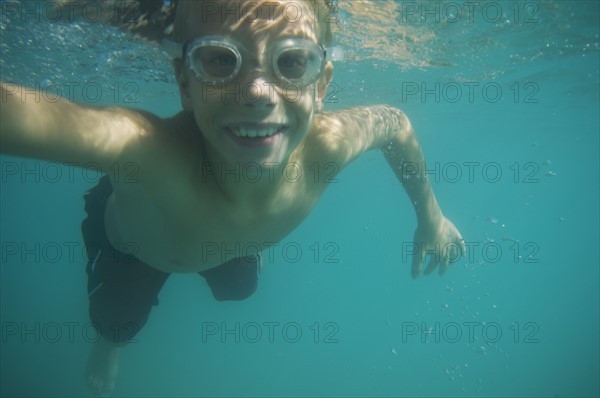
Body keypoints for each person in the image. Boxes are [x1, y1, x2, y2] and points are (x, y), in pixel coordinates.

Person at [0, 0, 465, 396]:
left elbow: (396, 124)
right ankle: (109, 345)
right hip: (131, 251)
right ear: (185, 81)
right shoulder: (144, 151)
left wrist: (432, 216)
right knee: (117, 321)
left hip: (230, 244)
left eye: (292, 62)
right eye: (221, 59)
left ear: (321, 86)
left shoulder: (330, 144)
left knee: (240, 291)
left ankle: (240, 248)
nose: (259, 93)